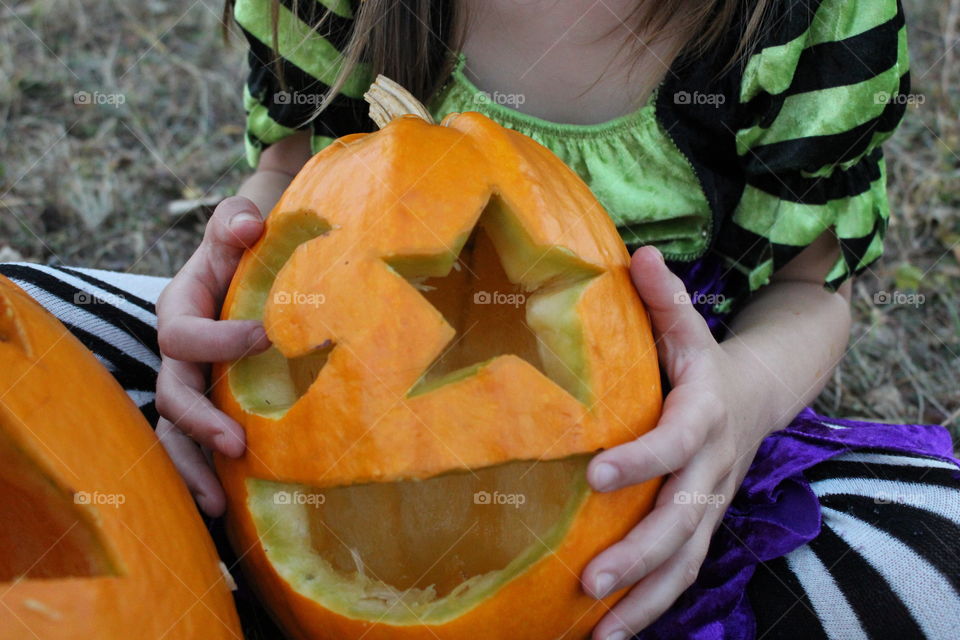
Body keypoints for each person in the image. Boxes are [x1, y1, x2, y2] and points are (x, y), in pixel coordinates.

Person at [4, 0, 959, 637]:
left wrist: (739, 407)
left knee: (933, 555)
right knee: (25, 338)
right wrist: (209, 290)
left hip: (678, 463)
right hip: (289, 435)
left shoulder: (810, 23)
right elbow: (288, 181)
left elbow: (808, 288)